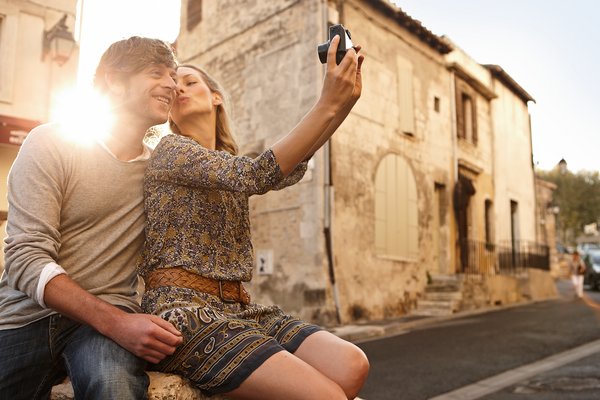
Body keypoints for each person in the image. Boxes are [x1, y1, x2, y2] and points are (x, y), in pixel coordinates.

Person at [138, 36, 369, 399]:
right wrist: (327, 102)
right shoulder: (172, 151)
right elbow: (258, 173)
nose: (178, 87)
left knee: (352, 365)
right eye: (174, 83)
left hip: (240, 308)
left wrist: (344, 103)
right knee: (327, 396)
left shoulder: (227, 162)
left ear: (216, 97)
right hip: (184, 311)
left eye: (190, 81)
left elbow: (287, 169)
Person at [0, 37, 184, 399]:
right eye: (156, 73)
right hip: (23, 320)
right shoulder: (51, 142)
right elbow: (25, 258)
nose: (172, 85)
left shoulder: (161, 171)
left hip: (102, 329)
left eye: (174, 76)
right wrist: (117, 323)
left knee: (113, 388)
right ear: (114, 81)